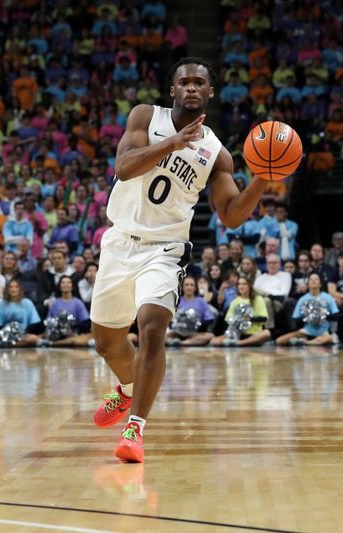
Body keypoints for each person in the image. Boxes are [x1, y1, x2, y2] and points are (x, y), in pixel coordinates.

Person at [90, 58, 278, 463]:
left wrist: (261, 180)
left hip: (166, 249)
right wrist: (170, 144)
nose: (191, 87)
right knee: (106, 342)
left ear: (210, 93)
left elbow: (230, 215)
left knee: (153, 327)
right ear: (172, 89)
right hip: (120, 240)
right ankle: (125, 390)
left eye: (200, 83)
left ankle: (135, 430)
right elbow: (123, 168)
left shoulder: (216, 153)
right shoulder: (145, 116)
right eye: (184, 81)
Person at [276, 273, 339, 346]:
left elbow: (335, 316)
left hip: (323, 331)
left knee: (328, 339)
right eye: (311, 280)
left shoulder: (328, 297)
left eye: (316, 279)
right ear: (308, 284)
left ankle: (306, 342)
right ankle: (312, 341)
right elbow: (296, 318)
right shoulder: (303, 299)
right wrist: (306, 316)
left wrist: (323, 314)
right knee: (279, 341)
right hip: (306, 331)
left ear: (320, 284)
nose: (313, 281)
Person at [212, 277, 271, 346]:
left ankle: (239, 343)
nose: (241, 286)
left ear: (249, 286)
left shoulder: (258, 299)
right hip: (238, 333)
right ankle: (240, 341)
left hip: (254, 333)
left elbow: (264, 318)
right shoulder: (235, 301)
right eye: (239, 284)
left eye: (244, 284)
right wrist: (237, 319)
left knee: (266, 333)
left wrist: (248, 319)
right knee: (215, 341)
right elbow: (228, 318)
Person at [41, 275, 92, 347]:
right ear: (59, 286)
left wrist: (73, 330)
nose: (66, 284)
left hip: (74, 334)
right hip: (57, 334)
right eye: (63, 282)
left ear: (72, 286)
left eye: (68, 282)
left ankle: (53, 344)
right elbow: (49, 321)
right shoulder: (55, 303)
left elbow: (85, 322)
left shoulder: (78, 303)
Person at [165, 276, 215, 346]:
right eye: (186, 285)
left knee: (210, 336)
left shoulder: (201, 301)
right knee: (161, 336)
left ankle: (181, 343)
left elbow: (209, 318)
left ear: (195, 287)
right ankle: (174, 341)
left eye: (191, 285)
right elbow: (169, 317)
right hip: (176, 332)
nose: (189, 287)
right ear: (182, 287)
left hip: (194, 334)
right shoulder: (177, 301)